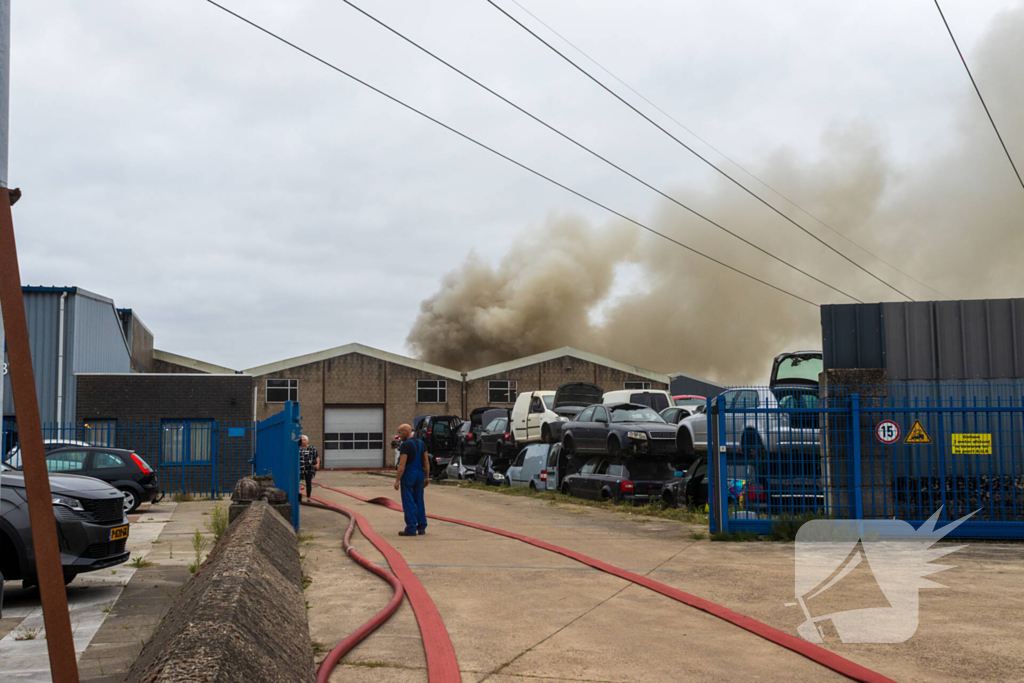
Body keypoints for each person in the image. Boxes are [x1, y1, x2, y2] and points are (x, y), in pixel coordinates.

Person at [393, 423, 429, 536]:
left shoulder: (405, 445)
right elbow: (426, 461)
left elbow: (402, 465)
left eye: (400, 432)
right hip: (420, 475)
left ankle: (411, 528)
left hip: (409, 475)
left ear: (405, 432)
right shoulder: (421, 443)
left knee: (408, 501)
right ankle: (422, 527)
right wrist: (427, 477)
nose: (399, 435)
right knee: (419, 500)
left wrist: (397, 480)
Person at [299, 435, 319, 501]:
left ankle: (308, 498)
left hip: (309, 468)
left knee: (308, 483)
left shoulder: (312, 448)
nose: (303, 441)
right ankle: (299, 497)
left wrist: (317, 464)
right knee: (297, 483)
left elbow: (316, 456)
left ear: (307, 441)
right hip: (299, 469)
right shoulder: (297, 448)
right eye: (301, 440)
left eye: (304, 440)